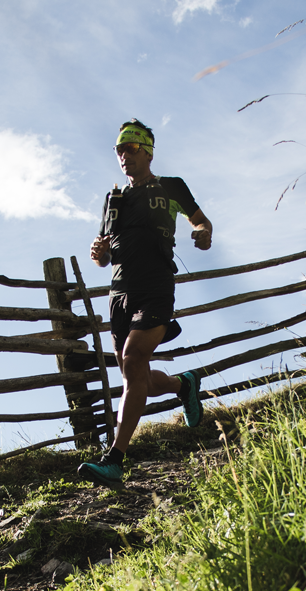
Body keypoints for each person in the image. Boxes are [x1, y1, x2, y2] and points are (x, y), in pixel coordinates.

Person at [77, 119, 213, 490]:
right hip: (119, 294)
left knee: (135, 359)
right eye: (119, 150)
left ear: (148, 151)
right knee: (132, 375)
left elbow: (203, 223)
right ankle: (183, 385)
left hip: (155, 285)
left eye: (132, 148)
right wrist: (99, 253)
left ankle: (115, 459)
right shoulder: (113, 199)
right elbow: (104, 257)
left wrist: (201, 235)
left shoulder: (171, 188)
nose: (125, 156)